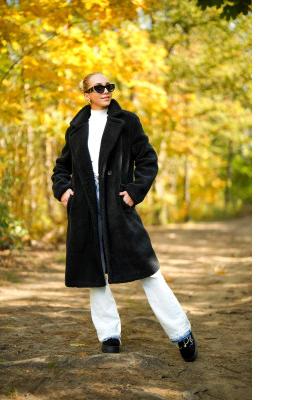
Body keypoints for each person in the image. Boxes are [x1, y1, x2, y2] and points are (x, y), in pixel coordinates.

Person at [51, 72, 197, 362]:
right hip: (85, 211)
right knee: (95, 273)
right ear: (87, 95)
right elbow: (61, 168)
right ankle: (109, 335)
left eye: (109, 86)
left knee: (149, 269)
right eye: (99, 88)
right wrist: (63, 191)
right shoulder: (76, 128)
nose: (106, 91)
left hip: (118, 208)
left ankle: (181, 332)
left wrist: (134, 191)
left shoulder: (127, 121)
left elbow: (147, 160)